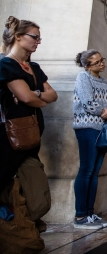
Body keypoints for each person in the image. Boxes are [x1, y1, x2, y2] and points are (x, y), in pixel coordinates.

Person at [0, 17, 57, 224]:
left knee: (39, 198)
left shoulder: (33, 66)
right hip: (9, 138)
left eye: (39, 38)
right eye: (34, 37)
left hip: (31, 137)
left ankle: (22, 224)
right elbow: (25, 97)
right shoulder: (6, 64)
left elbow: (53, 95)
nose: (38, 41)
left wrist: (36, 95)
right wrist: (37, 95)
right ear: (18, 37)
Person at [72, 50, 107, 229]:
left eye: (102, 60)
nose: (101, 64)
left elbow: (105, 104)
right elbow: (88, 103)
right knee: (86, 170)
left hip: (101, 128)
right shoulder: (83, 77)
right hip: (86, 127)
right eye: (97, 62)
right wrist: (106, 112)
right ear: (87, 65)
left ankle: (89, 213)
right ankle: (80, 216)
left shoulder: (104, 82)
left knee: (95, 172)